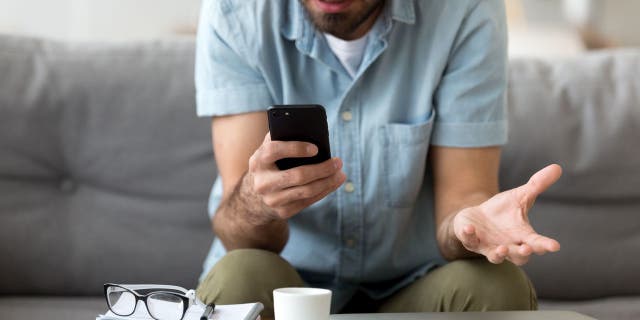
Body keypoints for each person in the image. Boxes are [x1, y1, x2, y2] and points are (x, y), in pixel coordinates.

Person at [194, 0, 562, 318]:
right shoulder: (235, 11)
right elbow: (234, 227)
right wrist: (257, 202)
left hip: (416, 286)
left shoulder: (464, 10)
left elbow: (465, 195)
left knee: (496, 284)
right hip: (291, 286)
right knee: (240, 275)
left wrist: (470, 224)